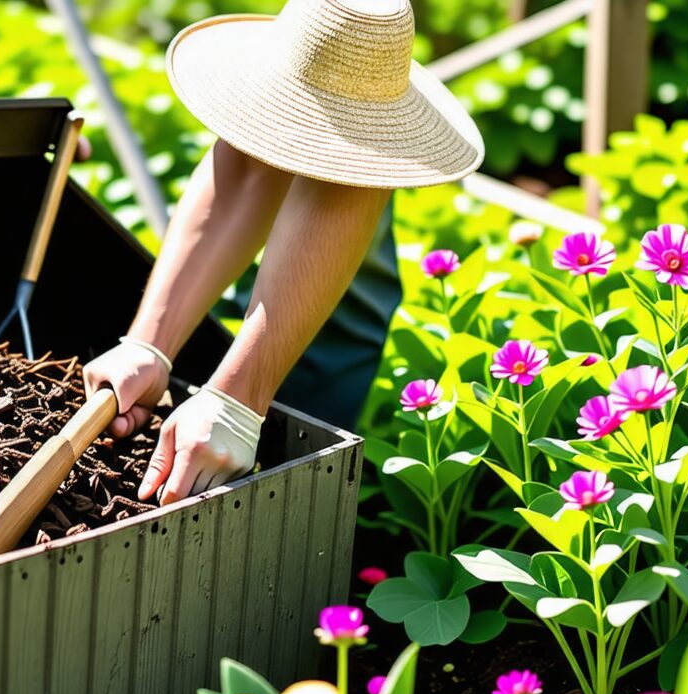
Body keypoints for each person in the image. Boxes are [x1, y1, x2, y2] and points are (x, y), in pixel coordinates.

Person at [84, 0, 484, 504]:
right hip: (337, 53)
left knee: (343, 300)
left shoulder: (363, 73)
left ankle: (288, 465)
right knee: (296, 97)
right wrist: (150, 345)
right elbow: (252, 151)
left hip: (359, 121)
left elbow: (358, 159)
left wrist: (238, 401)